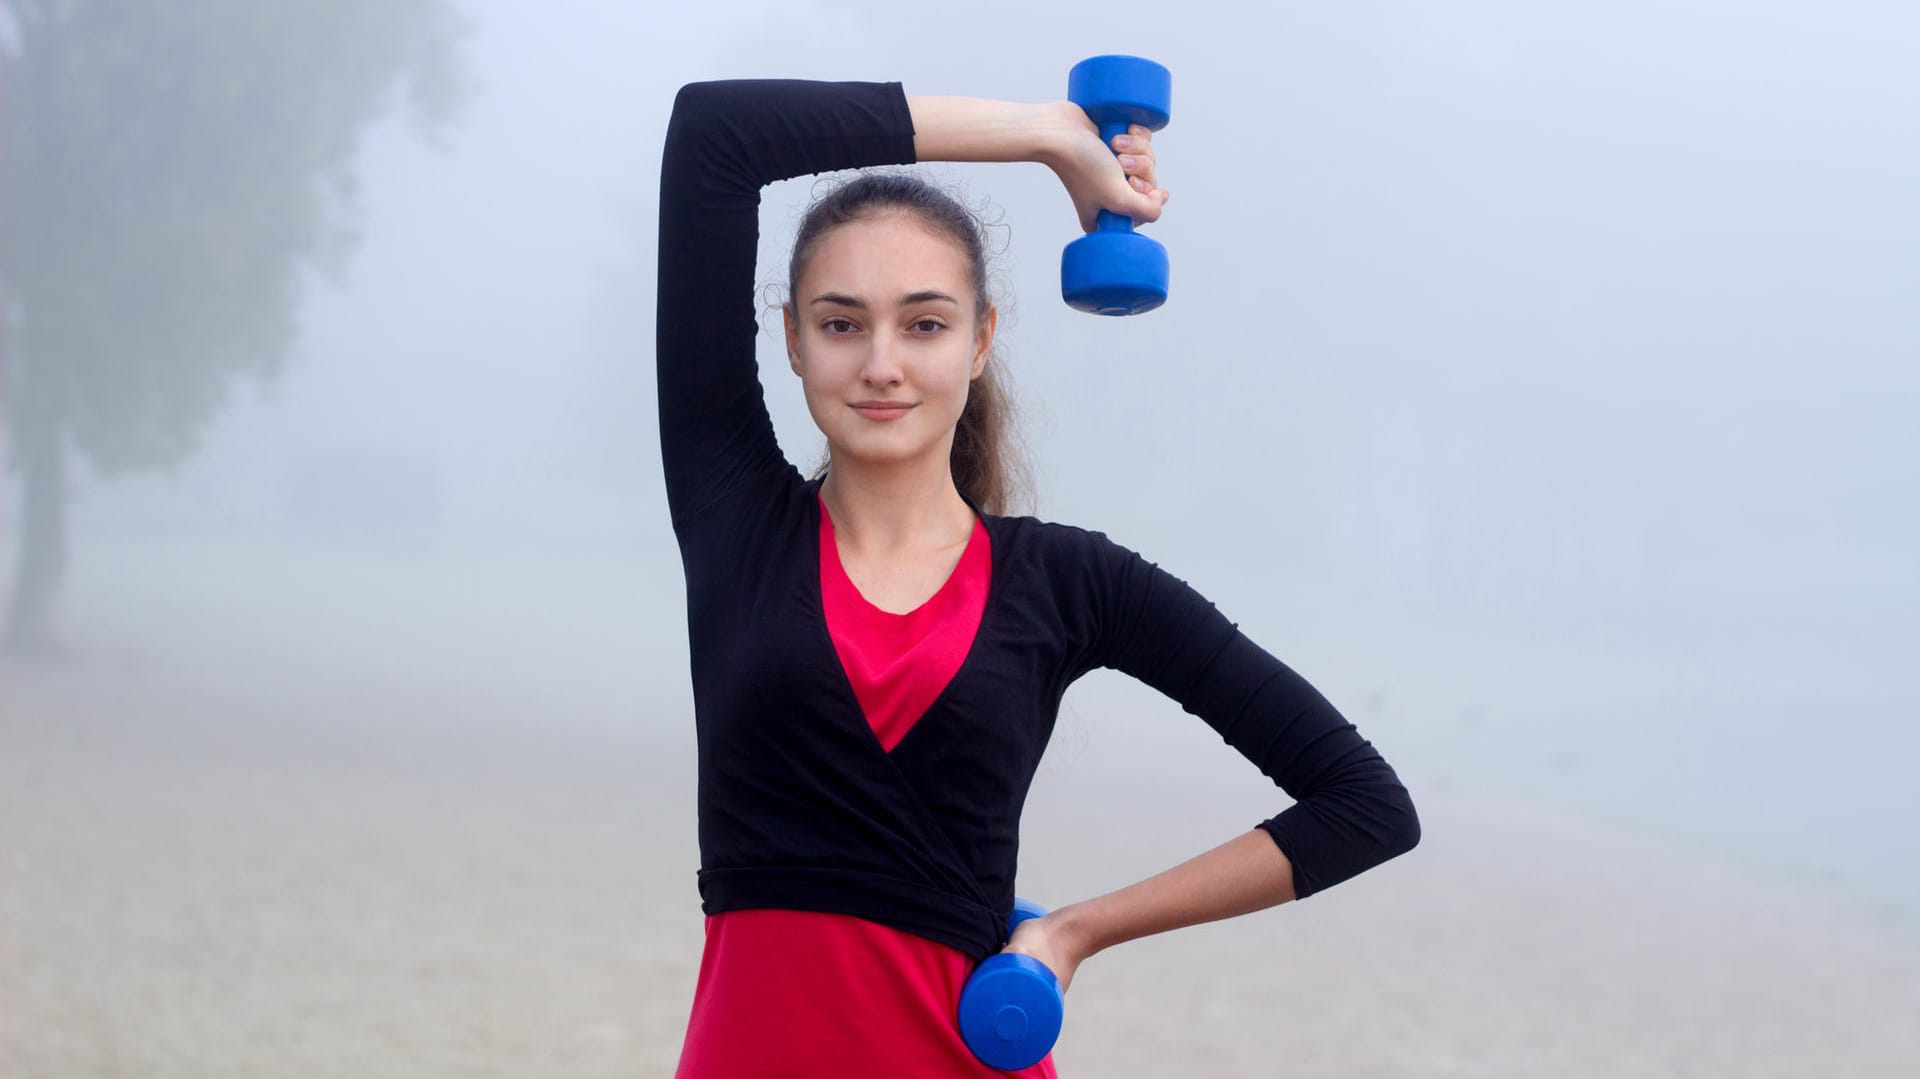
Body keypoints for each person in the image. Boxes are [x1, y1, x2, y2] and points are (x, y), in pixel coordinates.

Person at [657, 77, 1420, 1077]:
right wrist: (1049, 138)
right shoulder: (736, 523)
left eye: (924, 323)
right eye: (843, 323)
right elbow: (717, 133)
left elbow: (1364, 805)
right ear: (793, 339)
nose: (882, 362)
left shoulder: (1073, 583)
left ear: (980, 339)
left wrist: (1075, 931)